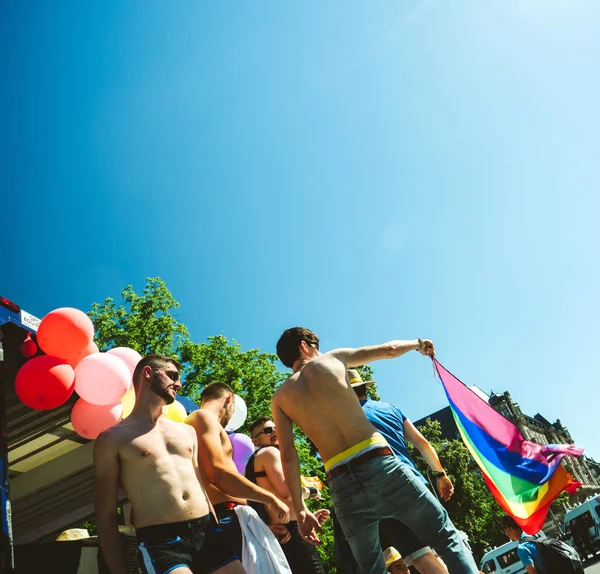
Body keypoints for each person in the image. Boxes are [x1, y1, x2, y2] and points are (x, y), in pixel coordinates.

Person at [272, 327, 479, 574]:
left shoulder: (280, 399)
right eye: (317, 345)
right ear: (305, 346)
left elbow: (288, 456)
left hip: (340, 483)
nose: (320, 350)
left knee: (371, 569)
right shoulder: (332, 360)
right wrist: (417, 343)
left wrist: (301, 509)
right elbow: (389, 350)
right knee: (445, 538)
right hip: (380, 464)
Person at [93, 354, 245, 574]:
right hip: (161, 541)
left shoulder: (187, 431)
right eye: (172, 375)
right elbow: (105, 514)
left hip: (207, 532)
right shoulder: (113, 438)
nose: (179, 383)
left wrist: (216, 528)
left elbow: (200, 487)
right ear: (148, 373)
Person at [351, 369, 450, 573]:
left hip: (387, 489)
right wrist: (440, 474)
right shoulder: (390, 409)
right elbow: (422, 443)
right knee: (443, 544)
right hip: (416, 482)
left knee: (418, 554)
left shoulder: (350, 419)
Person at [185, 382, 290, 564]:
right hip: (226, 517)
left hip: (232, 517)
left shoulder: (197, 422)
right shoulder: (203, 418)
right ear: (228, 399)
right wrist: (270, 498)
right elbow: (217, 473)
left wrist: (260, 526)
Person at [245, 415, 329, 573]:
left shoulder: (254, 461)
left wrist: (306, 514)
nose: (274, 432)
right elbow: (288, 493)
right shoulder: (269, 452)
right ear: (255, 441)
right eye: (267, 431)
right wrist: (312, 491)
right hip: (291, 532)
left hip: (280, 533)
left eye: (275, 428)